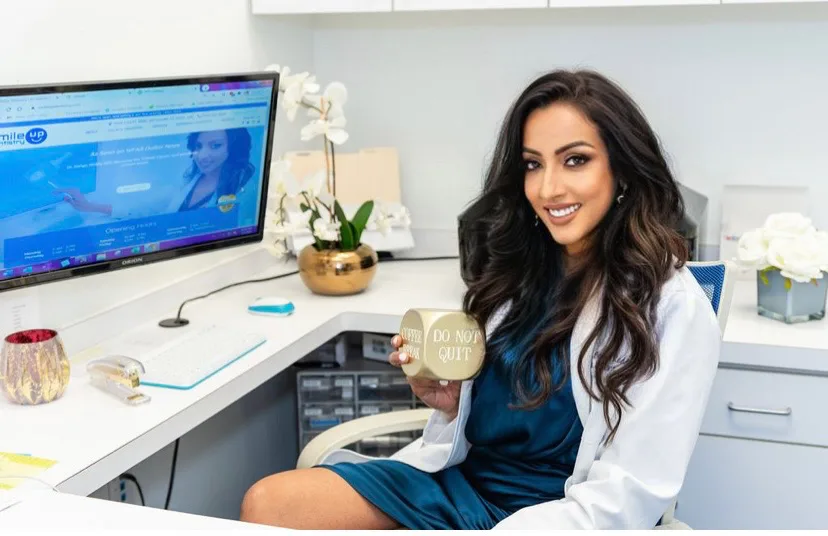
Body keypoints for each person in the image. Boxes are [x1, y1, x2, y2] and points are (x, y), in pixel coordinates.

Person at [238, 69, 722, 530]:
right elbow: (487, 420)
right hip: (460, 485)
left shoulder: (671, 306)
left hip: (559, 513)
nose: (548, 188)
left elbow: (626, 495)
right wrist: (451, 404)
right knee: (269, 504)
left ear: (623, 168)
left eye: (575, 159)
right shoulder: (523, 270)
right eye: (533, 164)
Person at [54, 128, 257, 219]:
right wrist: (91, 206)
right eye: (198, 146)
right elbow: (144, 209)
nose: (202, 155)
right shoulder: (186, 182)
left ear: (233, 148)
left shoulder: (246, 190)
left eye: (215, 145)